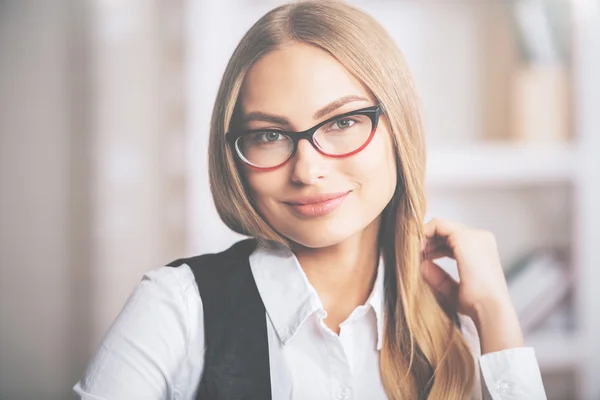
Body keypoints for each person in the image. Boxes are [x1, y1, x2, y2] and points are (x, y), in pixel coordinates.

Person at [74, 1, 547, 399]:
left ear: (398, 127)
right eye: (270, 134)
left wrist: (495, 314)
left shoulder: (455, 327)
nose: (307, 169)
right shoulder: (176, 308)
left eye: (342, 123)